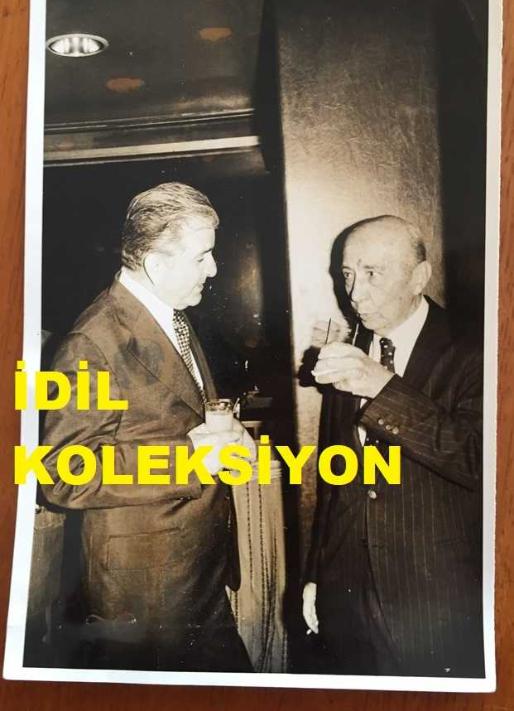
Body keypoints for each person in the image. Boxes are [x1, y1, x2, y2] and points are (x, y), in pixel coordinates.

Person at [40, 182, 253, 672]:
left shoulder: (170, 315)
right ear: (156, 264)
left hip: (192, 576)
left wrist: (225, 436)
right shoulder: (91, 341)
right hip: (145, 597)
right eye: (202, 257)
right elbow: (62, 472)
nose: (213, 269)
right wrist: (190, 458)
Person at [303, 215, 484, 677]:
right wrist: (316, 575)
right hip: (347, 591)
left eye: (372, 274)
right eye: (347, 274)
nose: (354, 293)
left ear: (418, 277)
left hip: (435, 594)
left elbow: (480, 459)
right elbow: (336, 474)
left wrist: (382, 388)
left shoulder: (477, 347)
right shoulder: (352, 347)